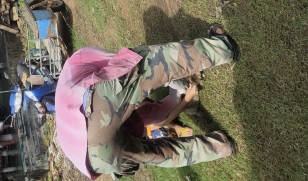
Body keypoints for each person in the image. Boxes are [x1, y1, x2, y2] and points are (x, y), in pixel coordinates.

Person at [54, 23, 238, 178]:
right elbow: (124, 66)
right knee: (148, 64)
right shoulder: (79, 60)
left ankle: (223, 146)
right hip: (92, 114)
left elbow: (144, 121)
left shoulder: (73, 124)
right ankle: (223, 48)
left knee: (163, 154)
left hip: (96, 162)